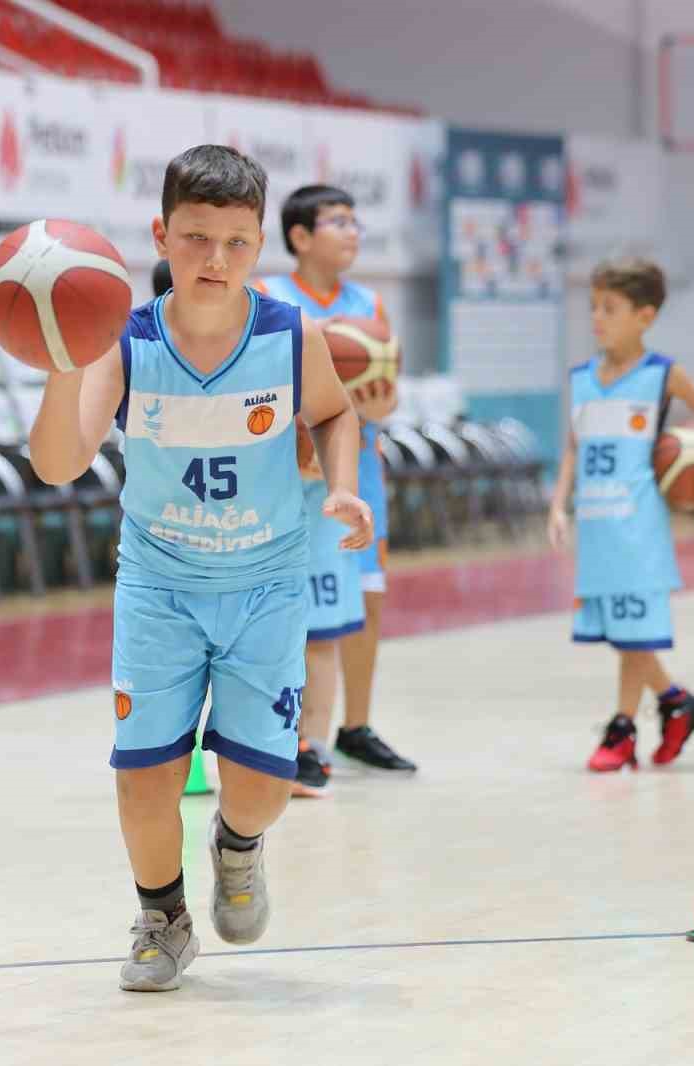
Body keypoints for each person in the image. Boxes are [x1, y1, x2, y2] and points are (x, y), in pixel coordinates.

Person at [26, 145, 370, 992]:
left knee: (262, 789)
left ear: (259, 245)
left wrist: (344, 485)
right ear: (161, 237)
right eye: (196, 238)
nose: (216, 258)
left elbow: (337, 414)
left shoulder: (291, 336)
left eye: (236, 242)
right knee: (143, 773)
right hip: (159, 586)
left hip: (265, 585)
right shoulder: (124, 343)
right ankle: (163, 920)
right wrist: (61, 364)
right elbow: (59, 464)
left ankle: (238, 845)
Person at [548, 257, 694, 772]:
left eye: (610, 308)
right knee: (620, 634)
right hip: (595, 529)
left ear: (644, 316)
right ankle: (676, 704)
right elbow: (574, 448)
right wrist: (558, 504)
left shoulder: (661, 374)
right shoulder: (582, 379)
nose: (597, 318)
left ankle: (622, 730)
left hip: (638, 530)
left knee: (633, 635)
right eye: (593, 307)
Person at [257, 185, 416, 774]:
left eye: (356, 222)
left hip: (359, 471)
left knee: (365, 600)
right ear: (300, 236)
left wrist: (370, 406)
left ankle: (356, 726)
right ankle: (293, 734)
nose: (352, 232)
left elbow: (387, 397)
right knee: (297, 612)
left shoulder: (370, 303)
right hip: (290, 479)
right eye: (338, 222)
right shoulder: (269, 297)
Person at [290, 419, 366, 797]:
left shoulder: (334, 395)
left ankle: (314, 749)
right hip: (262, 510)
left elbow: (367, 409)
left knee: (319, 641)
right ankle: (273, 745)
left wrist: (335, 460)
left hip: (322, 515)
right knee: (263, 642)